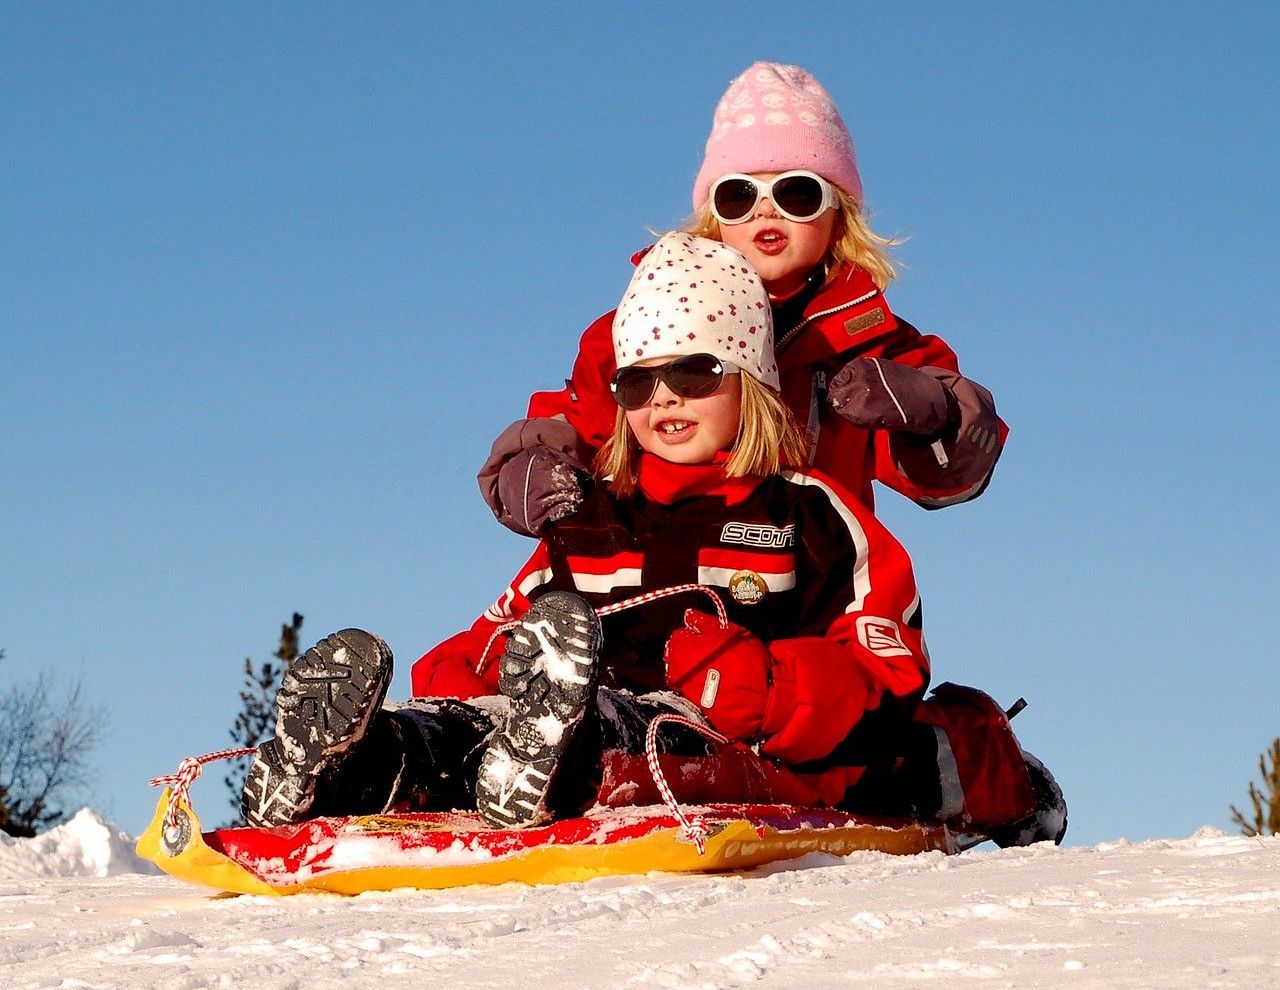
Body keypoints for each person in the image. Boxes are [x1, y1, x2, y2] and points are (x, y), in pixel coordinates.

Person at [240, 234, 1064, 846]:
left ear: (751, 384)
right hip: (554, 716)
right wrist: (474, 673)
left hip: (713, 736)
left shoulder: (809, 514)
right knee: (466, 731)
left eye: (696, 372)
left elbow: (886, 673)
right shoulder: (593, 518)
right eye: (639, 380)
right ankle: (355, 763)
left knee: (629, 738)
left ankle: (544, 755)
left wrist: (768, 686)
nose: (665, 396)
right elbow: (488, 634)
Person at [480, 61, 1007, 540]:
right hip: (666, 566)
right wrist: (533, 464)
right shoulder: (647, 325)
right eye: (739, 195)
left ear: (839, 214)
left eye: (797, 193)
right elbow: (582, 419)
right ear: (715, 215)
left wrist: (933, 413)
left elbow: (949, 476)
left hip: (811, 577)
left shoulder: (873, 343)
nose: (765, 212)